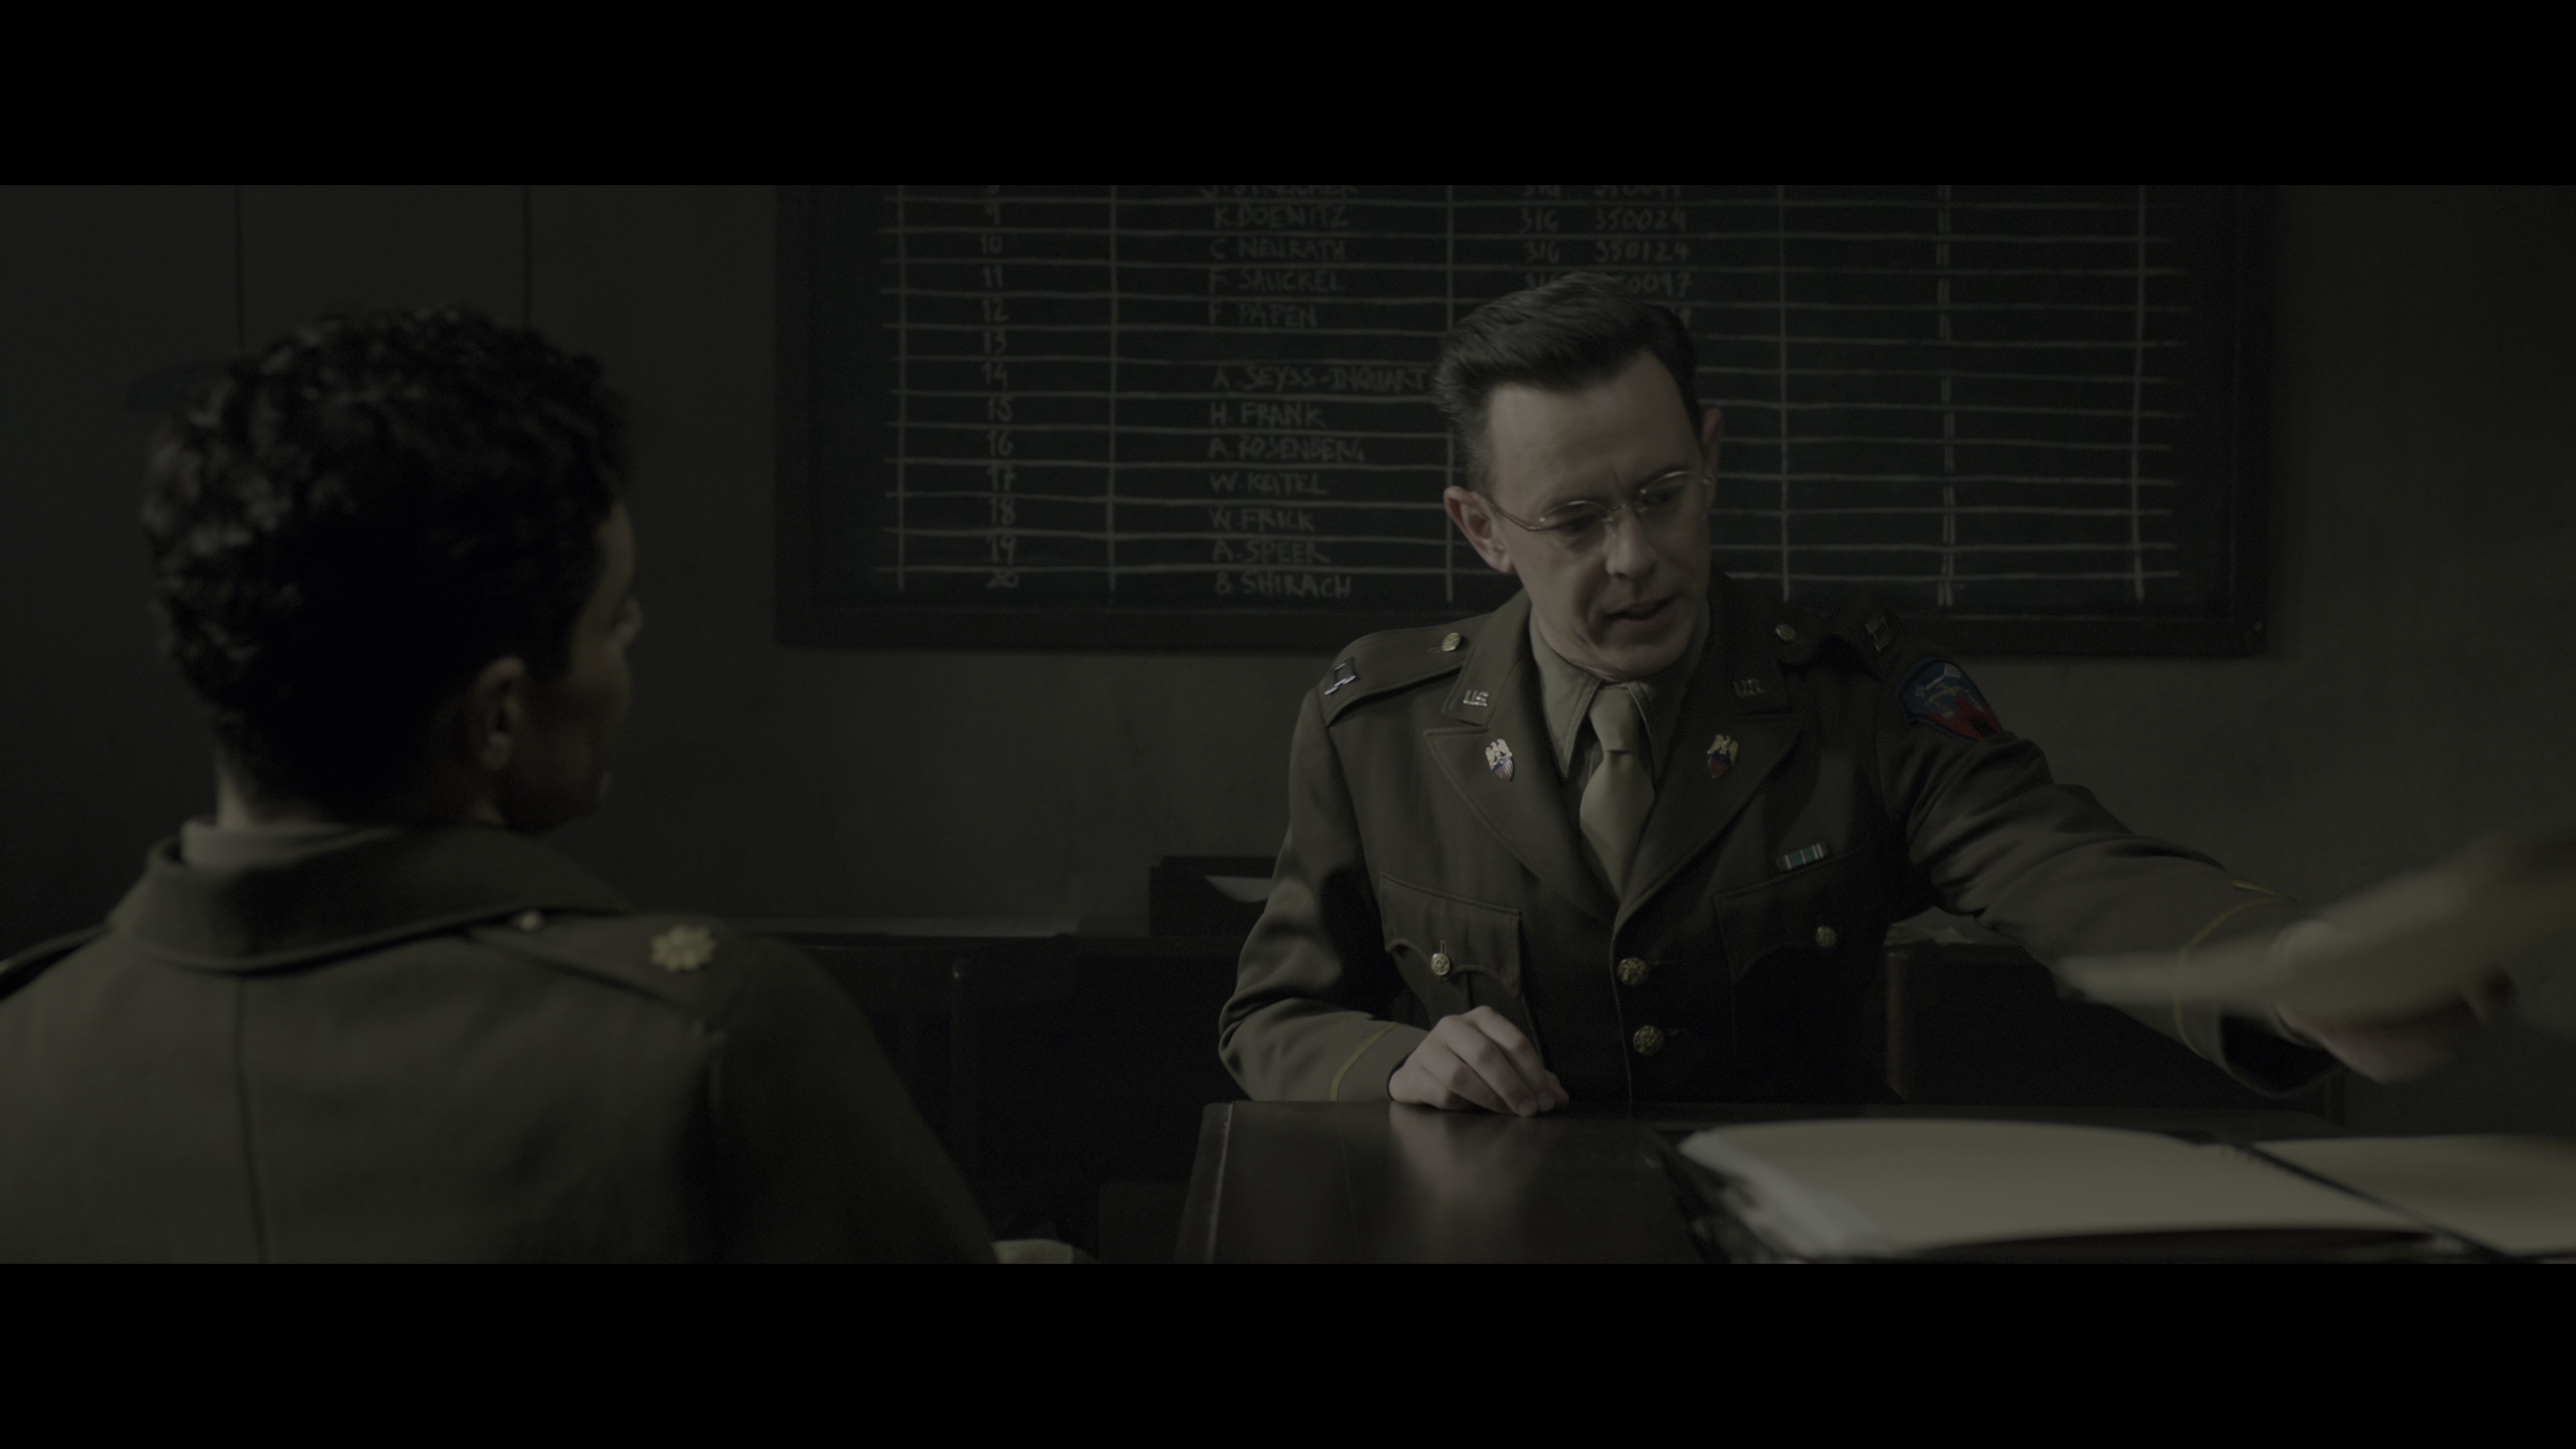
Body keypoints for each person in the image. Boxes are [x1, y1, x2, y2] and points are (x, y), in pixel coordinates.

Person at [1222, 274, 2504, 1115]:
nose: (1636, 557)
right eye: (1575, 519)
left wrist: (2287, 972)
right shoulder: (1375, 722)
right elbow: (1274, 1015)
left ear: (1711, 457)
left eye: (1663, 495)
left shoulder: (1857, 694)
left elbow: (2059, 866)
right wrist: (1399, 1061)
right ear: (1482, 528)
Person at [0, 309, 995, 1261]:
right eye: (613, 620)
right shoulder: (710, 1040)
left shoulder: (23, 1041)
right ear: (498, 717)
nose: (633, 641)